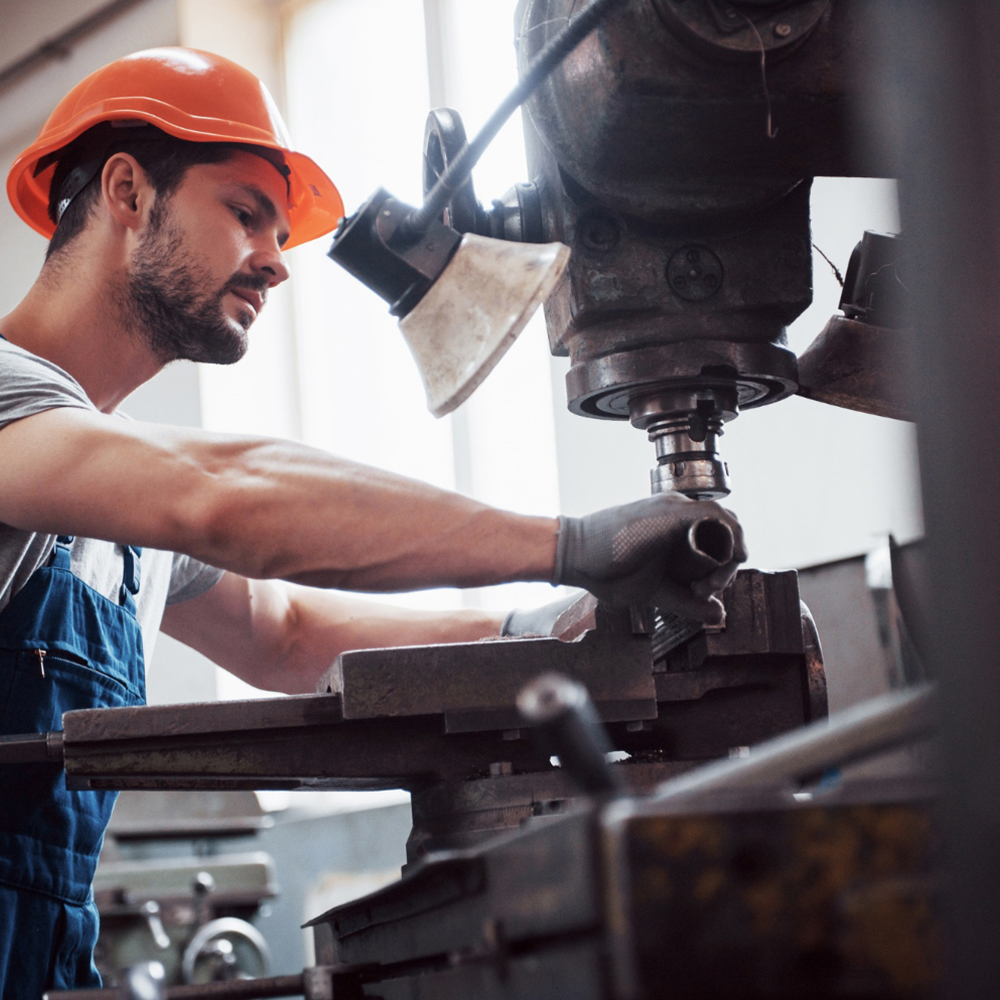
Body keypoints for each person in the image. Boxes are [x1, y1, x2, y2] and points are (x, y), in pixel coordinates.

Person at [0, 48, 745, 994]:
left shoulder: (109, 480)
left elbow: (285, 632)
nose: (276, 261)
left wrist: (544, 632)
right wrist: (575, 546)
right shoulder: (22, 412)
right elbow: (223, 495)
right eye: (244, 214)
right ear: (128, 191)